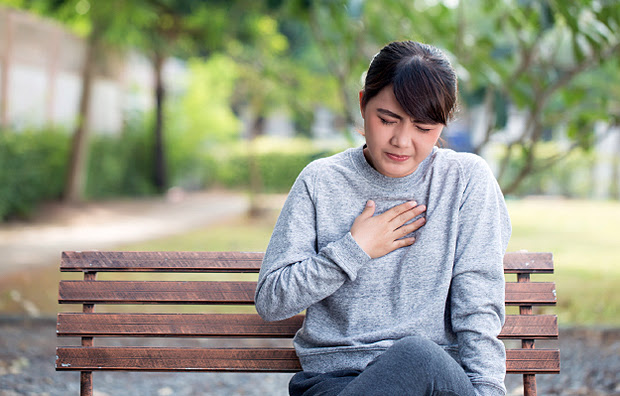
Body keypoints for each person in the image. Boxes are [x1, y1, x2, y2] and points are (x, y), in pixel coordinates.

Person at [254, 40, 511, 396]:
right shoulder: (322, 181)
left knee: (418, 356)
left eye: (424, 128)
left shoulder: (466, 180)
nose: (402, 141)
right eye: (387, 120)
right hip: (336, 384)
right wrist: (353, 250)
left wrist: (485, 390)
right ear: (363, 104)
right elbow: (271, 300)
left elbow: (478, 308)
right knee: (415, 354)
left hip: (435, 385)